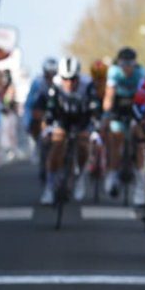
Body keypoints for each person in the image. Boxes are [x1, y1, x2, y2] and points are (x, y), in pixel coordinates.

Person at [39, 58, 100, 205]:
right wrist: (48, 128)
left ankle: (79, 178)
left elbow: (94, 109)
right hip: (62, 119)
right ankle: (50, 186)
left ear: (78, 76)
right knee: (57, 143)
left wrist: (94, 129)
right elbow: (50, 110)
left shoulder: (88, 84)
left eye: (73, 79)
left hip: (82, 118)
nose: (69, 83)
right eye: (66, 79)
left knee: (84, 146)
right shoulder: (56, 85)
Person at [101, 47, 145, 201]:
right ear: (119, 63)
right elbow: (109, 95)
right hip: (118, 108)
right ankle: (112, 175)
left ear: (135, 63)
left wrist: (143, 117)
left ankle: (140, 181)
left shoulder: (141, 73)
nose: (127, 67)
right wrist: (107, 114)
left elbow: (144, 96)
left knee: (140, 140)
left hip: (135, 106)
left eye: (130, 64)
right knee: (116, 139)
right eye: (123, 64)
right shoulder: (114, 72)